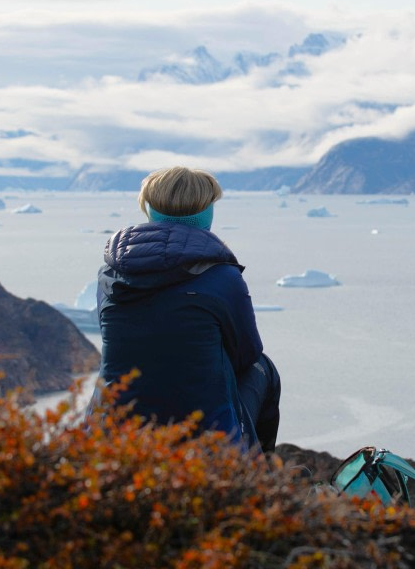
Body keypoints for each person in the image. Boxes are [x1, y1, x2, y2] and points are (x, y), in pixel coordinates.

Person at [89, 166, 281, 452]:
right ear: (205, 213)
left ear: (150, 209)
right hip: (202, 441)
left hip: (113, 434)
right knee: (263, 369)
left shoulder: (110, 275)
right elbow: (246, 354)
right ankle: (256, 476)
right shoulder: (222, 279)